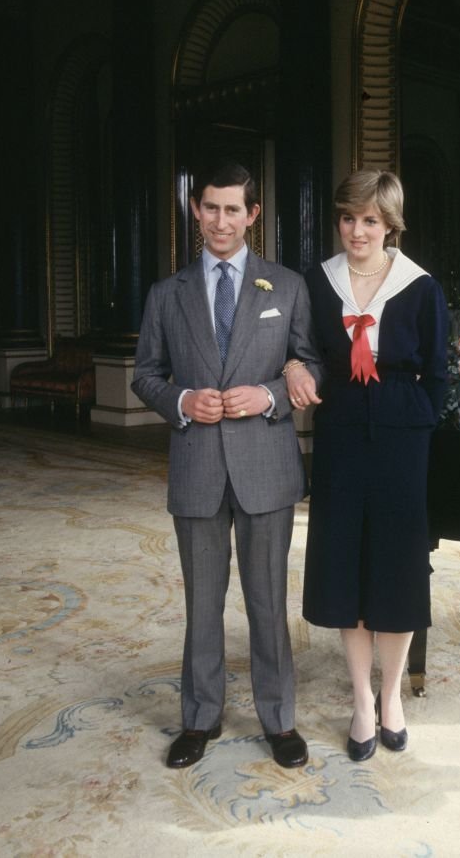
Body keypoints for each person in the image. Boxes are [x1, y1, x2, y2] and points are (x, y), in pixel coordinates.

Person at [132, 157, 322, 771]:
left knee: (268, 602)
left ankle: (279, 719)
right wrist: (182, 401)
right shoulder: (167, 294)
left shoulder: (286, 287)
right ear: (195, 210)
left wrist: (268, 395)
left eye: (232, 210)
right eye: (210, 208)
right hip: (197, 469)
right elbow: (145, 375)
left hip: (265, 467)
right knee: (202, 604)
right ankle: (200, 717)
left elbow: (311, 365)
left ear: (252, 215)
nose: (220, 221)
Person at [290, 170, 448, 762]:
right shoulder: (318, 281)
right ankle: (361, 699)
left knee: (396, 565)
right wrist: (292, 368)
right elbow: (301, 350)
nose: (358, 231)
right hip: (340, 430)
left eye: (371, 220)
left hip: (402, 434)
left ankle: (391, 695)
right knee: (346, 563)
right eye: (349, 218)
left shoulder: (420, 287)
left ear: (391, 225)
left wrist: (414, 419)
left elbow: (437, 372)